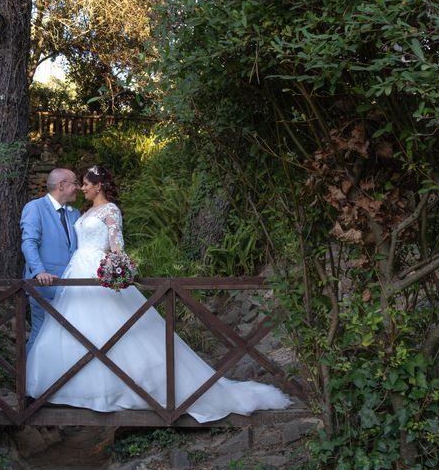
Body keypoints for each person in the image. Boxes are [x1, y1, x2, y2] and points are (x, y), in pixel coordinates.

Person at [26, 165, 291, 423]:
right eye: (79, 183)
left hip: (98, 271)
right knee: (77, 329)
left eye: (86, 183)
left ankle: (124, 388)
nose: (82, 187)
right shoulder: (80, 213)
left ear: (98, 186)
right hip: (77, 271)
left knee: (113, 332)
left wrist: (116, 266)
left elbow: (117, 246)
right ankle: (74, 389)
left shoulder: (111, 211)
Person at [20, 168, 81, 353]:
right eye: (75, 183)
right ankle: (27, 379)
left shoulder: (75, 213)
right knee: (41, 335)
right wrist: (39, 271)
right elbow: (29, 243)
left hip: (71, 289)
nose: (78, 187)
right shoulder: (35, 207)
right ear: (62, 185)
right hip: (44, 286)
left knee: (66, 338)